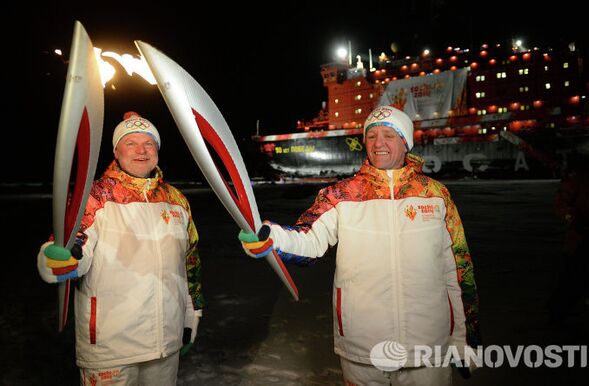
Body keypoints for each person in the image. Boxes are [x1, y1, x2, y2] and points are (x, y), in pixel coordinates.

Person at [239, 105, 481, 386]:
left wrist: (466, 340)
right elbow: (309, 240)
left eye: (389, 135)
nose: (379, 143)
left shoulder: (436, 196)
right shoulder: (342, 195)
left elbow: (459, 272)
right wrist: (271, 238)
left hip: (428, 349)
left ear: (406, 142)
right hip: (363, 349)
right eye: (372, 135)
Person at [37, 112, 204, 386]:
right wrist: (58, 260)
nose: (141, 150)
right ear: (116, 150)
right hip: (111, 346)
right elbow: (74, 245)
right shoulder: (93, 196)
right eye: (131, 143)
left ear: (157, 151)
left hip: (166, 343)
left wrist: (191, 314)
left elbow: (190, 262)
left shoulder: (177, 201)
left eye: (149, 143)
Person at [551, 145, 589, 323]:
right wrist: (574, 218)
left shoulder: (580, 178)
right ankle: (560, 312)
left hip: (585, 234)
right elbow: (561, 204)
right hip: (582, 236)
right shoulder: (579, 179)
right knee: (573, 277)